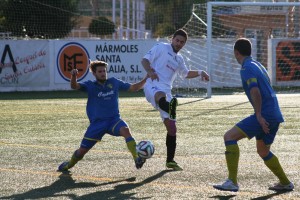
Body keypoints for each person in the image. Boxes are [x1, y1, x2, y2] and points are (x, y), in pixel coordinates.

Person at [213, 38, 294, 192]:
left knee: (229, 137)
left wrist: (258, 115)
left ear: (236, 52)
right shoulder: (258, 65)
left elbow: (255, 90)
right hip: (274, 114)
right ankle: (285, 183)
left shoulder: (246, 68)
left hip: (265, 115)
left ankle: (232, 182)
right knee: (263, 151)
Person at [58, 60, 148, 172]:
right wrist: (73, 76)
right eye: (100, 71)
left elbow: (134, 88)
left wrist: (146, 78)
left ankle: (137, 158)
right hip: (97, 124)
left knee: (125, 130)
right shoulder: (90, 85)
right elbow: (74, 86)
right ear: (94, 73)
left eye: (104, 71)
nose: (103, 73)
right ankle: (69, 164)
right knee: (81, 151)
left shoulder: (114, 82)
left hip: (113, 120)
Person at [141, 29, 209, 171]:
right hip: (153, 84)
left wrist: (200, 72)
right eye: (177, 40)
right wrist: (150, 72)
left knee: (172, 128)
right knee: (161, 97)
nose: (179, 43)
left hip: (167, 91)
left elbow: (185, 73)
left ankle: (170, 161)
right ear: (172, 39)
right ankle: (170, 106)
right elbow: (145, 60)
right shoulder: (161, 47)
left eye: (182, 42)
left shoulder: (179, 59)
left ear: (184, 44)